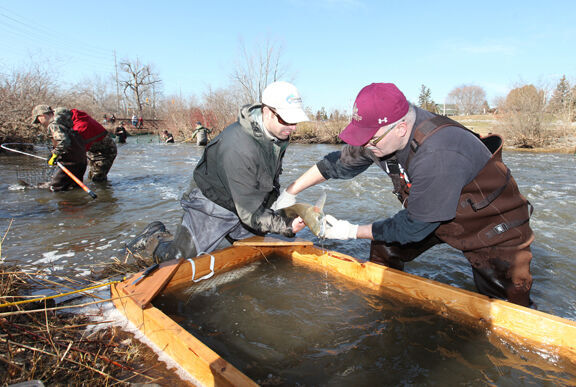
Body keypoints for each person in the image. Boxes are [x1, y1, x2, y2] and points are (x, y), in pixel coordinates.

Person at [275, 83, 535, 307]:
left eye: (370, 141)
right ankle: (388, 309)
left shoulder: (438, 153)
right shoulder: (380, 138)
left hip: (493, 225)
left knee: (507, 303)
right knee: (385, 246)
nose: (365, 147)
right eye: (361, 139)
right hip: (436, 211)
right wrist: (291, 191)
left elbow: (414, 227)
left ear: (400, 128)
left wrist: (349, 230)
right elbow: (336, 164)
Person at [126, 81, 310, 263]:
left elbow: (270, 180)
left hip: (248, 199)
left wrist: (280, 211)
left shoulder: (280, 134)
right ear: (268, 112)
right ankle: (155, 235)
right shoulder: (238, 146)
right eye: (287, 120)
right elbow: (249, 213)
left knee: (260, 255)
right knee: (177, 259)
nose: (293, 127)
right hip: (213, 200)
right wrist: (285, 225)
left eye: (295, 121)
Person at [31, 105, 87, 191]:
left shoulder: (53, 125)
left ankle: (65, 203)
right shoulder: (65, 125)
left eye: (38, 120)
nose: (40, 123)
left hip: (70, 163)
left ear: (43, 115)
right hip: (81, 161)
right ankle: (78, 203)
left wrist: (54, 155)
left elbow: (64, 142)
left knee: (55, 189)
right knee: (74, 188)